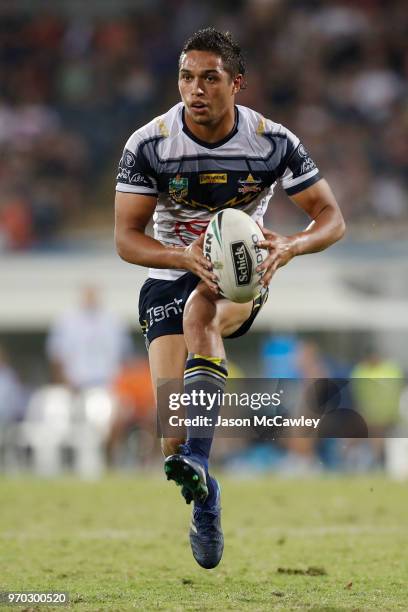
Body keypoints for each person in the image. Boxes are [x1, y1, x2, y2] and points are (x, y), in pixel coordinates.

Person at [114, 28, 345, 569]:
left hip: (243, 271)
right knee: (169, 439)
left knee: (203, 317)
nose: (195, 89)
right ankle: (204, 493)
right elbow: (126, 238)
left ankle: (197, 456)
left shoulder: (272, 141)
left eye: (210, 78)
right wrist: (183, 259)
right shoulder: (148, 143)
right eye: (186, 77)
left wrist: (292, 244)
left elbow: (332, 218)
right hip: (170, 268)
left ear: (236, 84)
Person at [46, 284, 133, 391]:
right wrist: (66, 383)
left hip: (108, 384)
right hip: (77, 384)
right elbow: (56, 356)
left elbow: (125, 356)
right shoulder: (66, 320)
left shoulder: (114, 320)